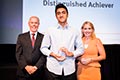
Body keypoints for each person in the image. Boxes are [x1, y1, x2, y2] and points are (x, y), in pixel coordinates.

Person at [40, 3, 84, 80]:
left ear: (67, 14)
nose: (61, 15)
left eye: (63, 12)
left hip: (69, 69)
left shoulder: (75, 31)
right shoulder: (50, 30)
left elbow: (81, 49)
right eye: (58, 13)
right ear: (56, 16)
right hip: (53, 68)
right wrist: (53, 54)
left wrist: (71, 53)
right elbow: (43, 48)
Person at [15, 16, 46, 80]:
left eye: (36, 23)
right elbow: (18, 54)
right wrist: (26, 67)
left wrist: (36, 67)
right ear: (29, 24)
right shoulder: (21, 37)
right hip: (23, 73)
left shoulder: (44, 38)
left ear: (39, 24)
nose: (34, 25)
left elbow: (44, 55)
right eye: (32, 22)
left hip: (38, 73)